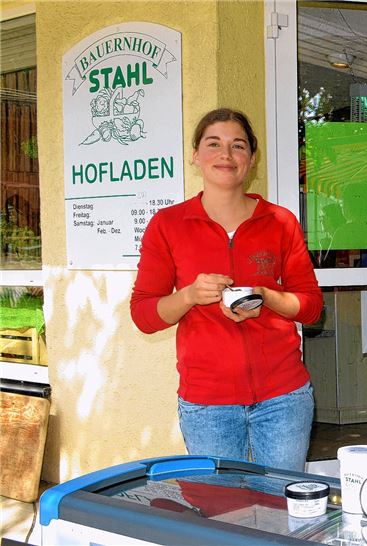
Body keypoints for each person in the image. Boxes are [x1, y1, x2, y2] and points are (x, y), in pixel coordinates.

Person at [130, 108, 324, 472]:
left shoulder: (280, 222)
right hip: (207, 402)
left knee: (283, 505)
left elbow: (312, 307)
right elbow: (144, 315)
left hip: (283, 396)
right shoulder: (168, 225)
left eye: (238, 146)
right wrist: (189, 295)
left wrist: (266, 296)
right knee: (220, 511)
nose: (226, 154)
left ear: (251, 159)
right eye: (213, 144)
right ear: (195, 155)